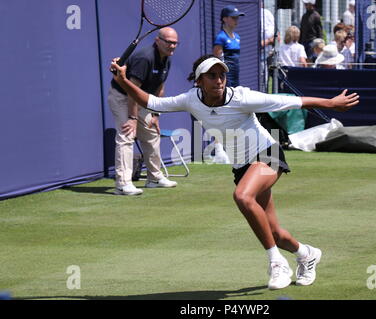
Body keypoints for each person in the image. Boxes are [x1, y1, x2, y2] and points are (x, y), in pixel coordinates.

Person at [111, 54, 359, 289]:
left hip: (266, 153)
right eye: (212, 75)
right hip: (242, 166)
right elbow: (151, 102)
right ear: (199, 81)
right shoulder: (190, 99)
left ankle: (277, 263)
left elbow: (288, 101)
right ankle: (307, 254)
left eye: (222, 75)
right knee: (273, 232)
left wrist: (330, 103)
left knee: (242, 197)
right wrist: (123, 80)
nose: (218, 80)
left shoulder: (242, 97)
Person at [108, 27, 178, 195]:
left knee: (152, 133)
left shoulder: (167, 59)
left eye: (175, 43)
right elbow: (132, 91)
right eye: (169, 42)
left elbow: (159, 88)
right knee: (127, 134)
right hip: (122, 97)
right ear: (157, 40)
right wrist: (132, 118)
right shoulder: (144, 58)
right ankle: (123, 184)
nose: (172, 46)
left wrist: (155, 114)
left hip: (141, 99)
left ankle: (154, 178)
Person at [213, 5, 245, 87]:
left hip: (236, 73)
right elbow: (218, 59)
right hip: (226, 75)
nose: (236, 20)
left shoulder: (237, 37)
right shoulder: (221, 37)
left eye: (237, 17)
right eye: (233, 17)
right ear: (225, 19)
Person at [260, 4, 275, 92]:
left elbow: (276, 34)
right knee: (262, 81)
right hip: (259, 56)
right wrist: (268, 41)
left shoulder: (268, 13)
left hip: (271, 53)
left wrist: (273, 40)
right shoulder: (252, 14)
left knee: (270, 79)